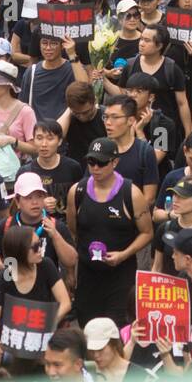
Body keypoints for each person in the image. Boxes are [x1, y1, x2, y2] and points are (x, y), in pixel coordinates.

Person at [65, 136, 153, 327]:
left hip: (121, 275)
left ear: (115, 162)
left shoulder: (131, 193)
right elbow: (73, 232)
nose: (95, 168)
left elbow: (147, 233)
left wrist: (123, 255)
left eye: (101, 163)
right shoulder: (77, 192)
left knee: (116, 330)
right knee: (89, 329)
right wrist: (71, 271)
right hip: (88, 275)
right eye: (91, 162)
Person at [0, 223, 72, 329]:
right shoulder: (8, 274)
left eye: (40, 244)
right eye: (35, 247)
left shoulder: (45, 265)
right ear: (19, 250)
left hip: (42, 332)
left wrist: (47, 324)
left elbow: (65, 303)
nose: (40, 250)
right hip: (15, 337)